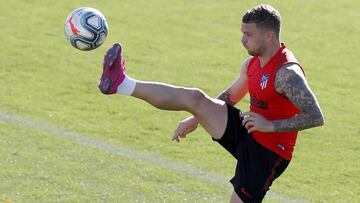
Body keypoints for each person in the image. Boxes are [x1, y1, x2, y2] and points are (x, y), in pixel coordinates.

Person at [98, 4, 324, 203]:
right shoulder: (252, 64)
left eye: (248, 34)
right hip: (248, 129)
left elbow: (315, 116)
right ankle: (121, 84)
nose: (242, 39)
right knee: (194, 98)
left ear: (268, 36)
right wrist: (196, 116)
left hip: (268, 153)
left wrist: (270, 125)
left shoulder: (287, 73)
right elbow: (230, 97)